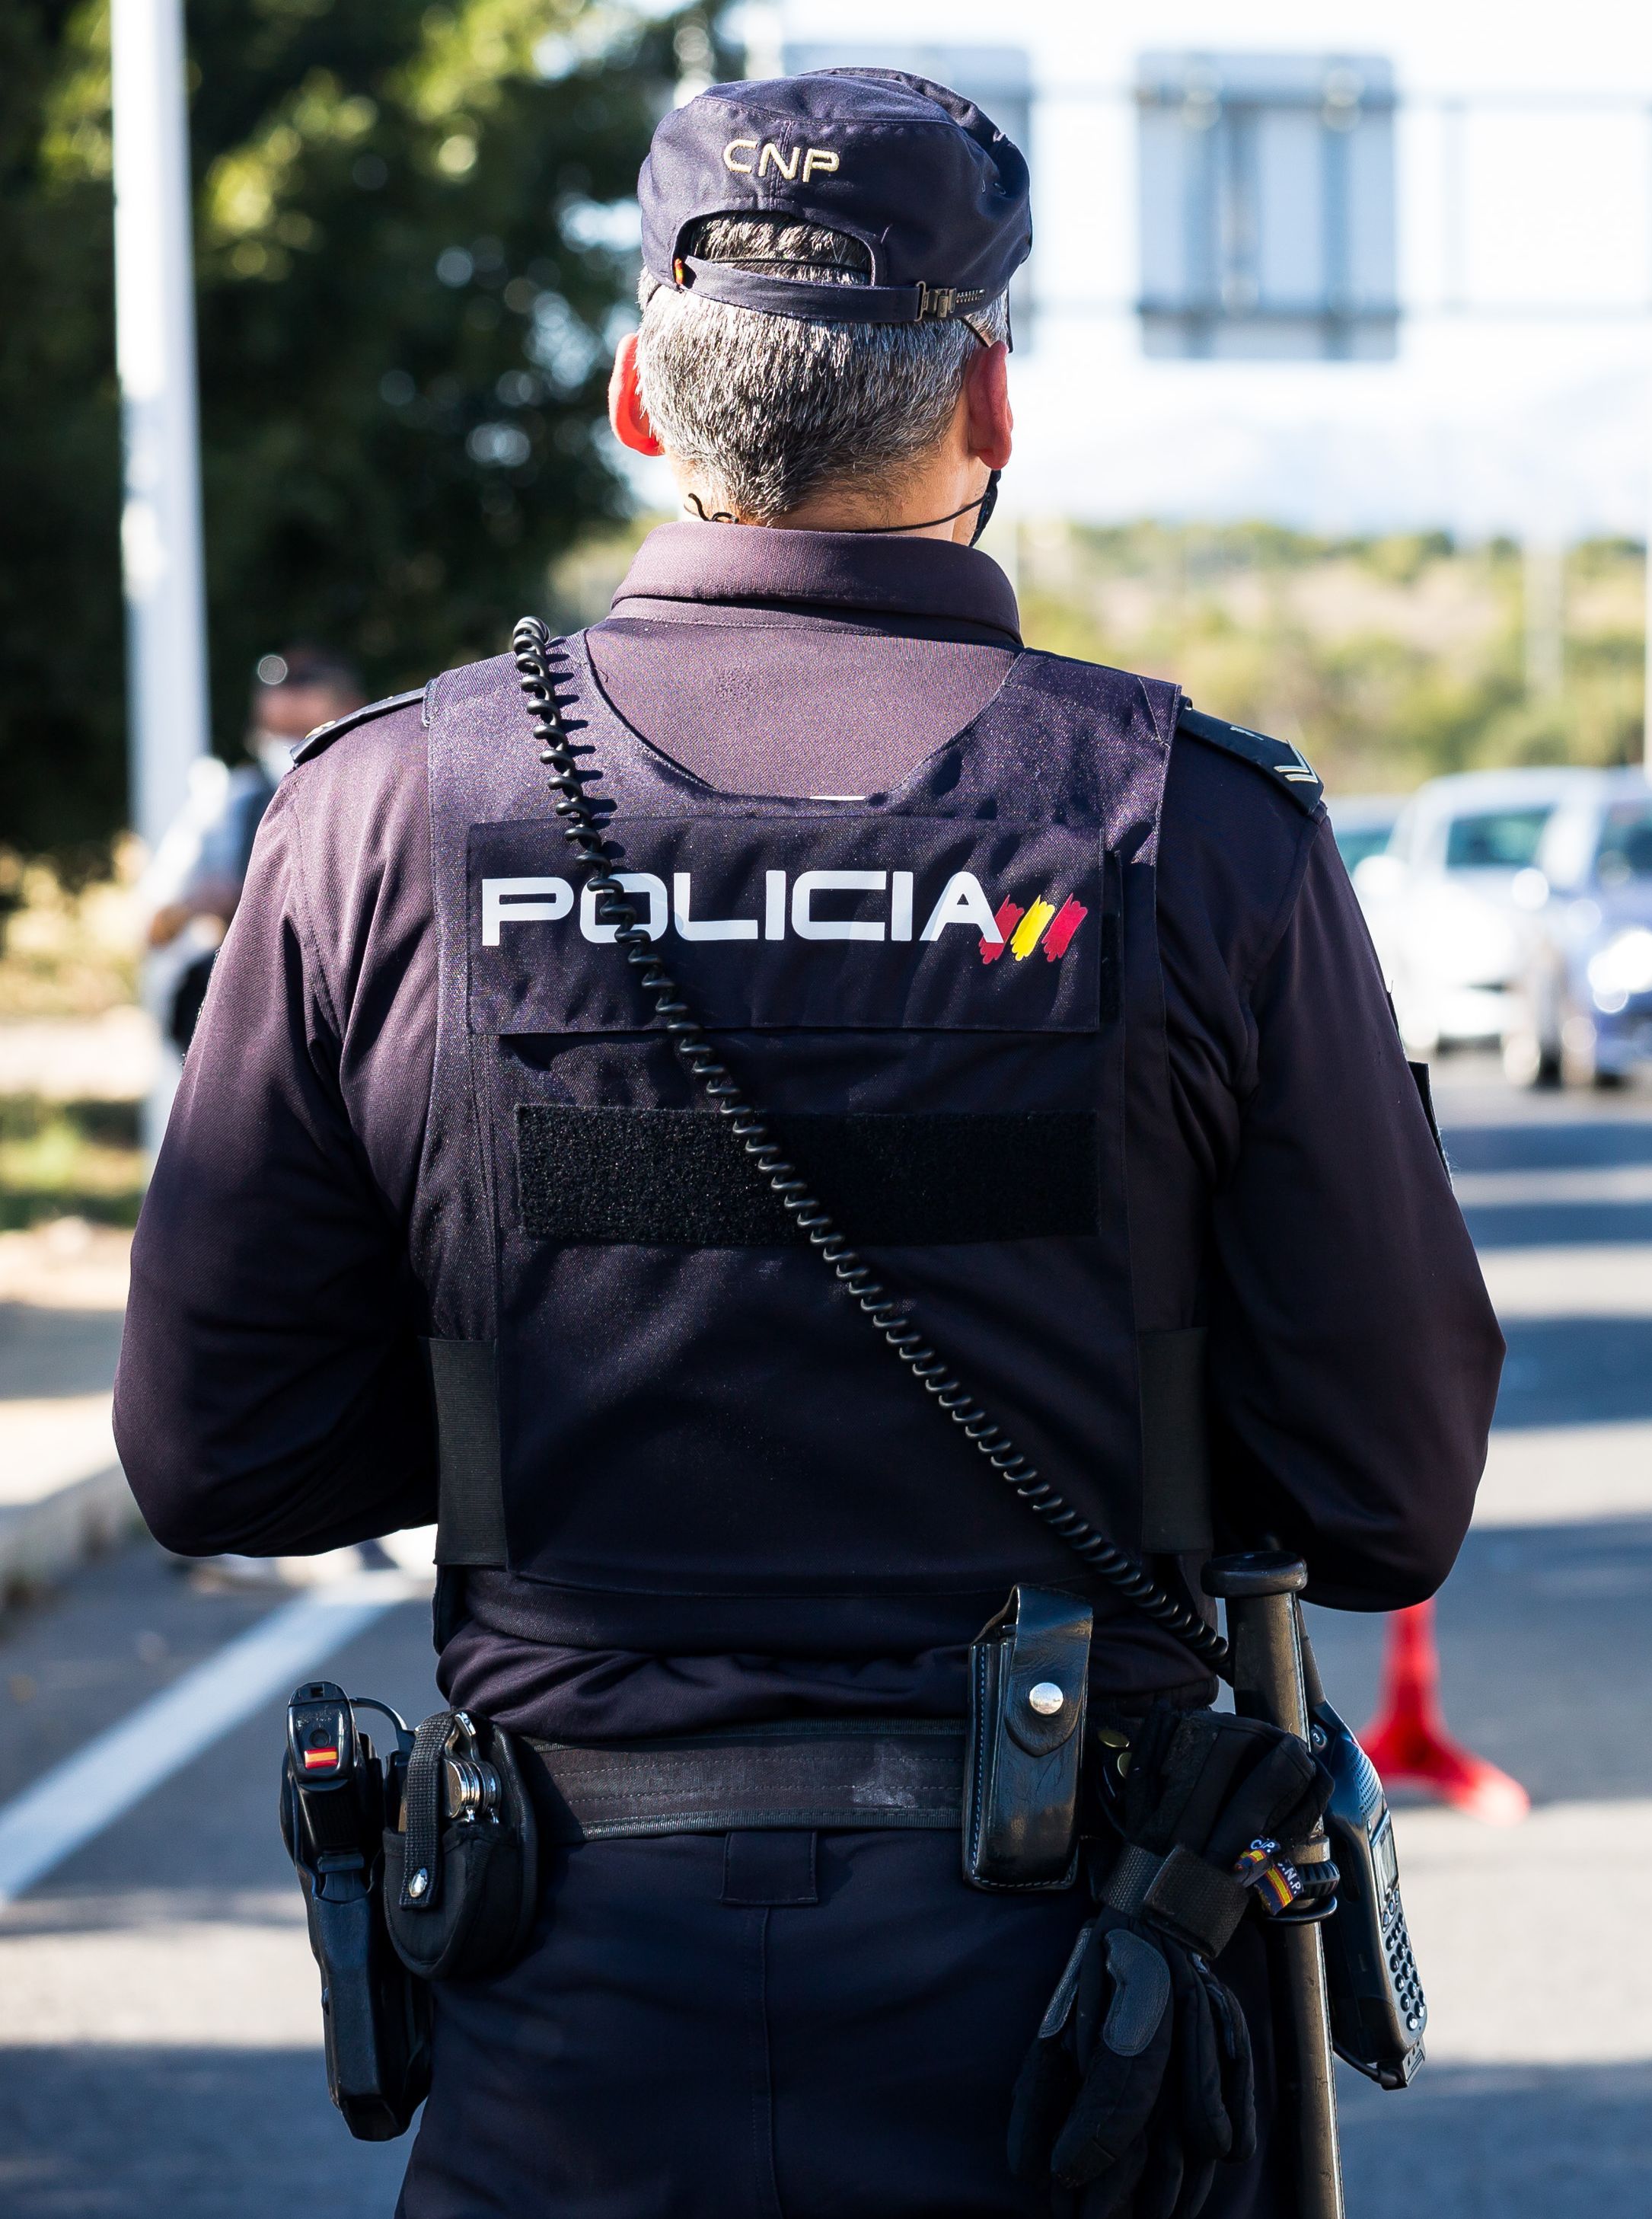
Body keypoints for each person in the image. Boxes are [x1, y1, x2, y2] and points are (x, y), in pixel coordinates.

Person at [111, 69, 1499, 2219]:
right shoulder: (1192, 826)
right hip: (1085, 2035)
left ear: (635, 402)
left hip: (568, 2023)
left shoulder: (383, 813)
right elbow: (1381, 1493)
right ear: (992, 404)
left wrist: (540, 1395)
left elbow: (227, 1460)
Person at [138, 645, 364, 1057]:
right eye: (279, 734)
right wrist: (201, 905)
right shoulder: (229, 803)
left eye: (304, 731)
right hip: (255, 1024)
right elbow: (152, 927)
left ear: (352, 710)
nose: (288, 751)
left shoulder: (377, 800)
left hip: (353, 1016)